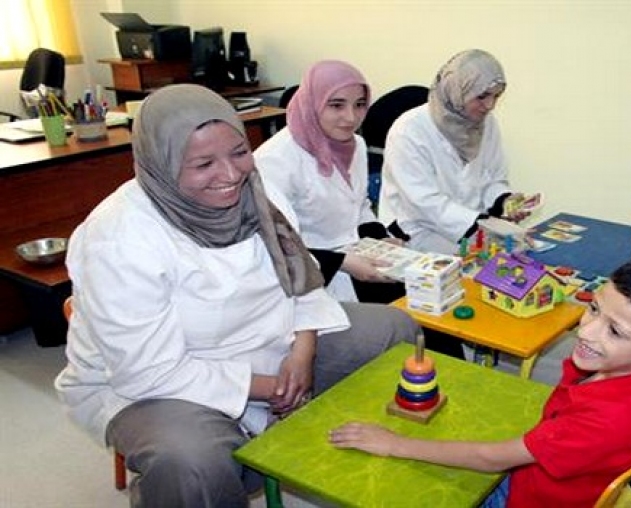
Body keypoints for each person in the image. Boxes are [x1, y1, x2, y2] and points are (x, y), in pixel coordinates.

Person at [54, 84, 419, 508]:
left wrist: (302, 353)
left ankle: (327, 451)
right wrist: (274, 387)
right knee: (192, 462)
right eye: (203, 163)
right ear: (161, 164)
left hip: (269, 342)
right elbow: (148, 371)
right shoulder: (118, 238)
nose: (230, 175)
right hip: (155, 382)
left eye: (239, 152)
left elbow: (301, 278)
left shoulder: (257, 192)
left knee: (396, 330)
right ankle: (213, 475)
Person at [329, 250, 631, 507]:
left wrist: (394, 444)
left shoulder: (606, 420)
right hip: (561, 470)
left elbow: (491, 459)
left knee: (394, 489)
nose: (586, 332)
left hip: (529, 497)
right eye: (593, 310)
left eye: (616, 331)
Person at [255, 60, 404, 304]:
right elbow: (273, 244)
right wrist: (343, 263)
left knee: (421, 316)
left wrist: (379, 238)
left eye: (360, 105)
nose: (351, 117)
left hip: (355, 263)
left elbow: (358, 204)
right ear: (313, 103)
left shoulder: (354, 145)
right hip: (307, 279)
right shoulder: (275, 160)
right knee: (391, 326)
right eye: (336, 105)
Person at [378, 49, 532, 256]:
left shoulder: (486, 124)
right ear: (457, 90)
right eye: (482, 96)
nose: (490, 105)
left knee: (518, 257)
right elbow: (425, 203)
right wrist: (481, 227)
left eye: (497, 96)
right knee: (478, 271)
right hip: (418, 232)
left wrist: (504, 202)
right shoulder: (408, 130)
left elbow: (493, 177)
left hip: (471, 225)